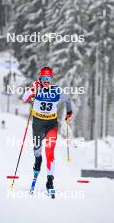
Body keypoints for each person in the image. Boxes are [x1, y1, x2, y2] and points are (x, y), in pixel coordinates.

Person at [22, 67, 73, 197]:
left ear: (51, 78)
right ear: (40, 78)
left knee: (50, 152)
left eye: (48, 78)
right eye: (44, 78)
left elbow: (67, 99)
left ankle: (49, 182)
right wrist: (32, 88)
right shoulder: (37, 88)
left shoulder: (56, 90)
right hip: (38, 125)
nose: (46, 81)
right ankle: (37, 161)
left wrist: (69, 112)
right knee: (37, 152)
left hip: (51, 125)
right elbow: (24, 99)